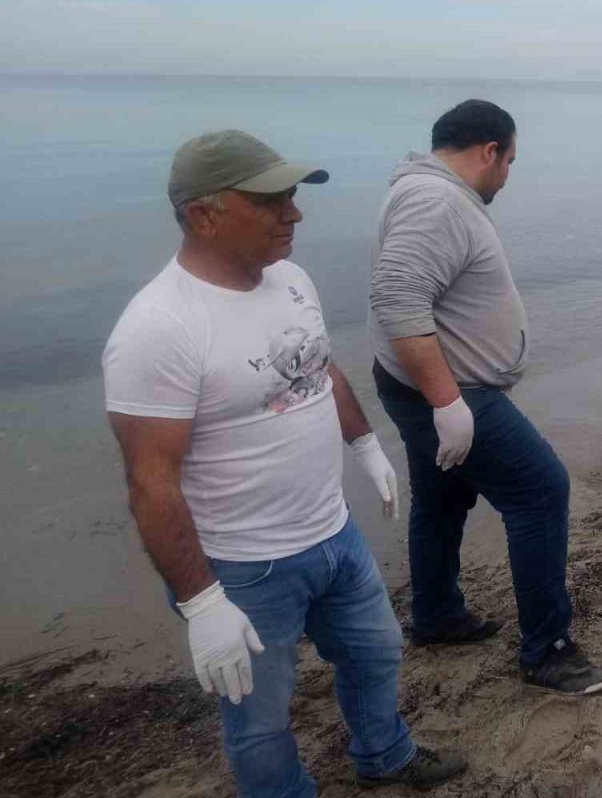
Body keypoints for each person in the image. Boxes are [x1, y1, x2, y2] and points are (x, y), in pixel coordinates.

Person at [103, 130, 467, 797]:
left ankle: (383, 754)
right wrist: (204, 602)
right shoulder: (159, 328)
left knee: (377, 650)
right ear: (204, 215)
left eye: (292, 198)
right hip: (244, 565)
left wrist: (364, 446)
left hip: (333, 532)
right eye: (270, 202)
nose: (293, 214)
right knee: (260, 721)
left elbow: (317, 367)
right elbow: (149, 481)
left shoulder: (291, 279)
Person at [369, 99, 602, 697]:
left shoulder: (428, 191)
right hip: (450, 389)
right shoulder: (435, 201)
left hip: (423, 384)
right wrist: (448, 403)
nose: (508, 173)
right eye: (510, 161)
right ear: (489, 152)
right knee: (540, 489)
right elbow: (397, 297)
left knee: (443, 495)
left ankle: (437, 615)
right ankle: (547, 651)